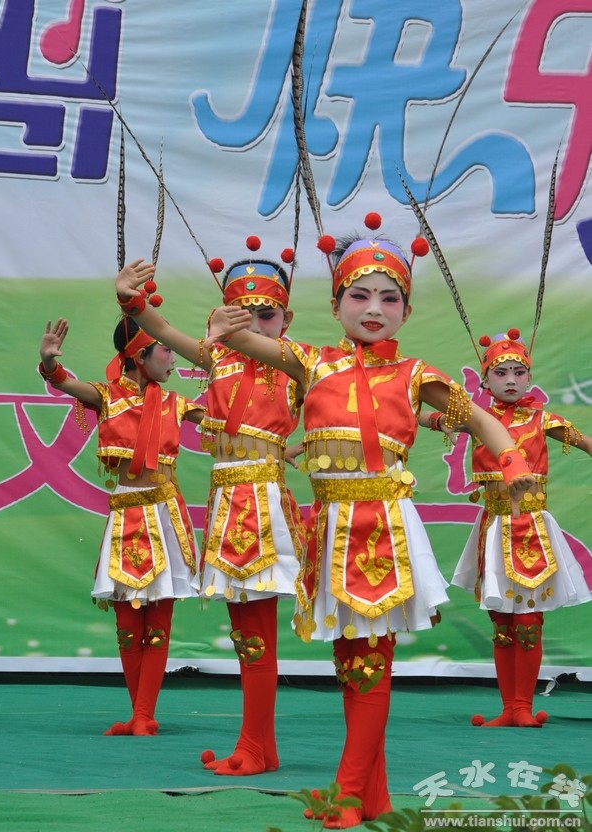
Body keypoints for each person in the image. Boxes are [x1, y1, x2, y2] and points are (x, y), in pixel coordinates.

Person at [203, 231, 536, 828]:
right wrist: (177, 315)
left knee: (372, 662)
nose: (375, 309)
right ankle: (371, 795)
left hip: (382, 527)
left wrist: (512, 463)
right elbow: (242, 339)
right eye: (360, 296)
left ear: (407, 310)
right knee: (351, 662)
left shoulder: (414, 374)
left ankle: (350, 792)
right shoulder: (310, 362)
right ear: (335, 306)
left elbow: (482, 420)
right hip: (332, 528)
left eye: (389, 298)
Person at [115, 248, 307, 776]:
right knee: (245, 633)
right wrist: (130, 298)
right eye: (241, 313)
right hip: (227, 503)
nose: (253, 324)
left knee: (256, 631)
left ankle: (254, 747)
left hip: (261, 503)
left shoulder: (296, 361)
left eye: (265, 314)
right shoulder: (216, 358)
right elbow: (158, 327)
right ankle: (259, 747)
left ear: (286, 319)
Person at [38, 301, 203, 736]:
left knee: (158, 624)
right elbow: (64, 382)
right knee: (128, 626)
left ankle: (144, 714)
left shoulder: (176, 403)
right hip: (128, 517)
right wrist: (49, 361)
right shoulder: (108, 396)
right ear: (139, 356)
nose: (173, 356)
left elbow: (229, 424)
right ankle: (138, 714)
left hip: (164, 516)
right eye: (165, 348)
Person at [450, 329, 592, 728]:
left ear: (529, 377)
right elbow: (431, 418)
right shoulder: (477, 420)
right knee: (501, 624)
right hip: (493, 528)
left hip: (531, 528)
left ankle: (523, 706)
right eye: (501, 373)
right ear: (485, 380)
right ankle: (508, 708)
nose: (510, 380)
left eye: (518, 372)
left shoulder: (543, 420)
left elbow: (584, 442)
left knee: (528, 623)